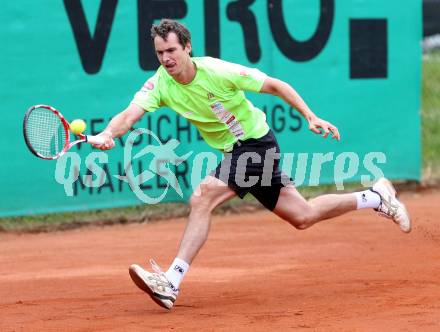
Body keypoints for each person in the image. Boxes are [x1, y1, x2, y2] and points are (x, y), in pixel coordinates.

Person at [92, 19, 411, 310]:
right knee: (303, 215)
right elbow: (129, 115)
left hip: (255, 144)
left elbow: (274, 85)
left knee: (202, 198)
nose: (166, 58)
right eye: (160, 52)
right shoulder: (160, 84)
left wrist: (310, 116)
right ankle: (377, 197)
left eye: (172, 50)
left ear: (187, 47)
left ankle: (171, 282)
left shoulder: (217, 71)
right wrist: (109, 133)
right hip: (238, 151)